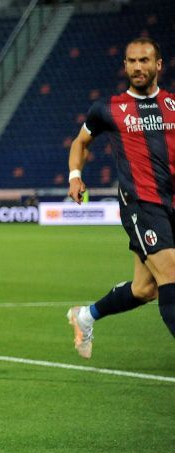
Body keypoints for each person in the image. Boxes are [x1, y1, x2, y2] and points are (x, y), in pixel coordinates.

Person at [66, 37, 175, 357]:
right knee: (171, 272)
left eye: (144, 60)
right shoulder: (107, 109)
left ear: (158, 65)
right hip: (140, 203)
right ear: (125, 65)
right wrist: (75, 176)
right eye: (132, 61)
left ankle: (85, 316)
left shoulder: (172, 104)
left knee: (144, 289)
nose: (137, 67)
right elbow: (81, 143)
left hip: (171, 204)